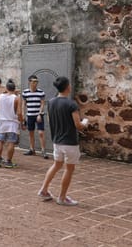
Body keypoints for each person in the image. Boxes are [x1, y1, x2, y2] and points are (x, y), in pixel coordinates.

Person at [38, 76, 88, 206]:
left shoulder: (51, 102)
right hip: (70, 142)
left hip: (57, 141)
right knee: (69, 169)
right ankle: (62, 197)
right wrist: (85, 122)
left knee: (56, 165)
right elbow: (78, 125)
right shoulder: (71, 104)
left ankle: (44, 189)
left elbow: (50, 121)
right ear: (68, 87)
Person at [0, 79, 23, 168]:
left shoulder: (1, 96)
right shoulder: (17, 98)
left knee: (0, 141)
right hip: (12, 122)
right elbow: (19, 112)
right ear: (14, 88)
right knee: (11, 142)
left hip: (2, 121)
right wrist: (22, 121)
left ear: (6, 88)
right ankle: (8, 161)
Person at [22, 75, 49, 159]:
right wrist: (23, 115)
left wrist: (39, 114)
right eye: (33, 81)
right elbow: (23, 105)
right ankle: (32, 149)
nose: (35, 83)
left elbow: (42, 104)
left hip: (39, 115)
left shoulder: (41, 92)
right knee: (31, 133)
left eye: (36, 81)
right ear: (29, 82)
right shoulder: (25, 92)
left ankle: (43, 151)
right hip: (29, 115)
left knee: (41, 133)